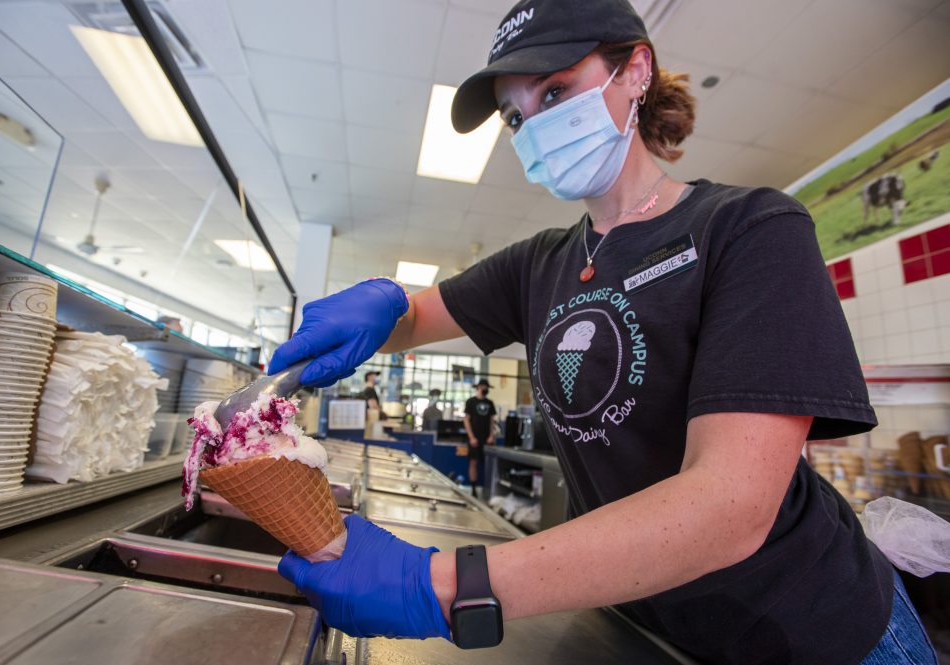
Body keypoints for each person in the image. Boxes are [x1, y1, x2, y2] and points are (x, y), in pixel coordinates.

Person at [268, 1, 938, 662]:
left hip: (815, 631)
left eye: (556, 89)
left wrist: (447, 585)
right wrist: (383, 303)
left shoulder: (749, 229)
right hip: (650, 628)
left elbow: (728, 507)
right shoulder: (540, 265)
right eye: (515, 115)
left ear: (635, 70)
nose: (533, 125)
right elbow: (415, 317)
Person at [463, 379, 496, 497]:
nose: (485, 389)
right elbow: (466, 420)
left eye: (487, 387)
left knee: (489, 464)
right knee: (473, 463)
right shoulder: (471, 402)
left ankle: (489, 489)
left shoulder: (490, 403)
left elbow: (492, 421)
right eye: (483, 387)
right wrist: (471, 437)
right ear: (478, 387)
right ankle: (473, 489)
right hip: (474, 438)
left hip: (486, 439)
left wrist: (491, 435)